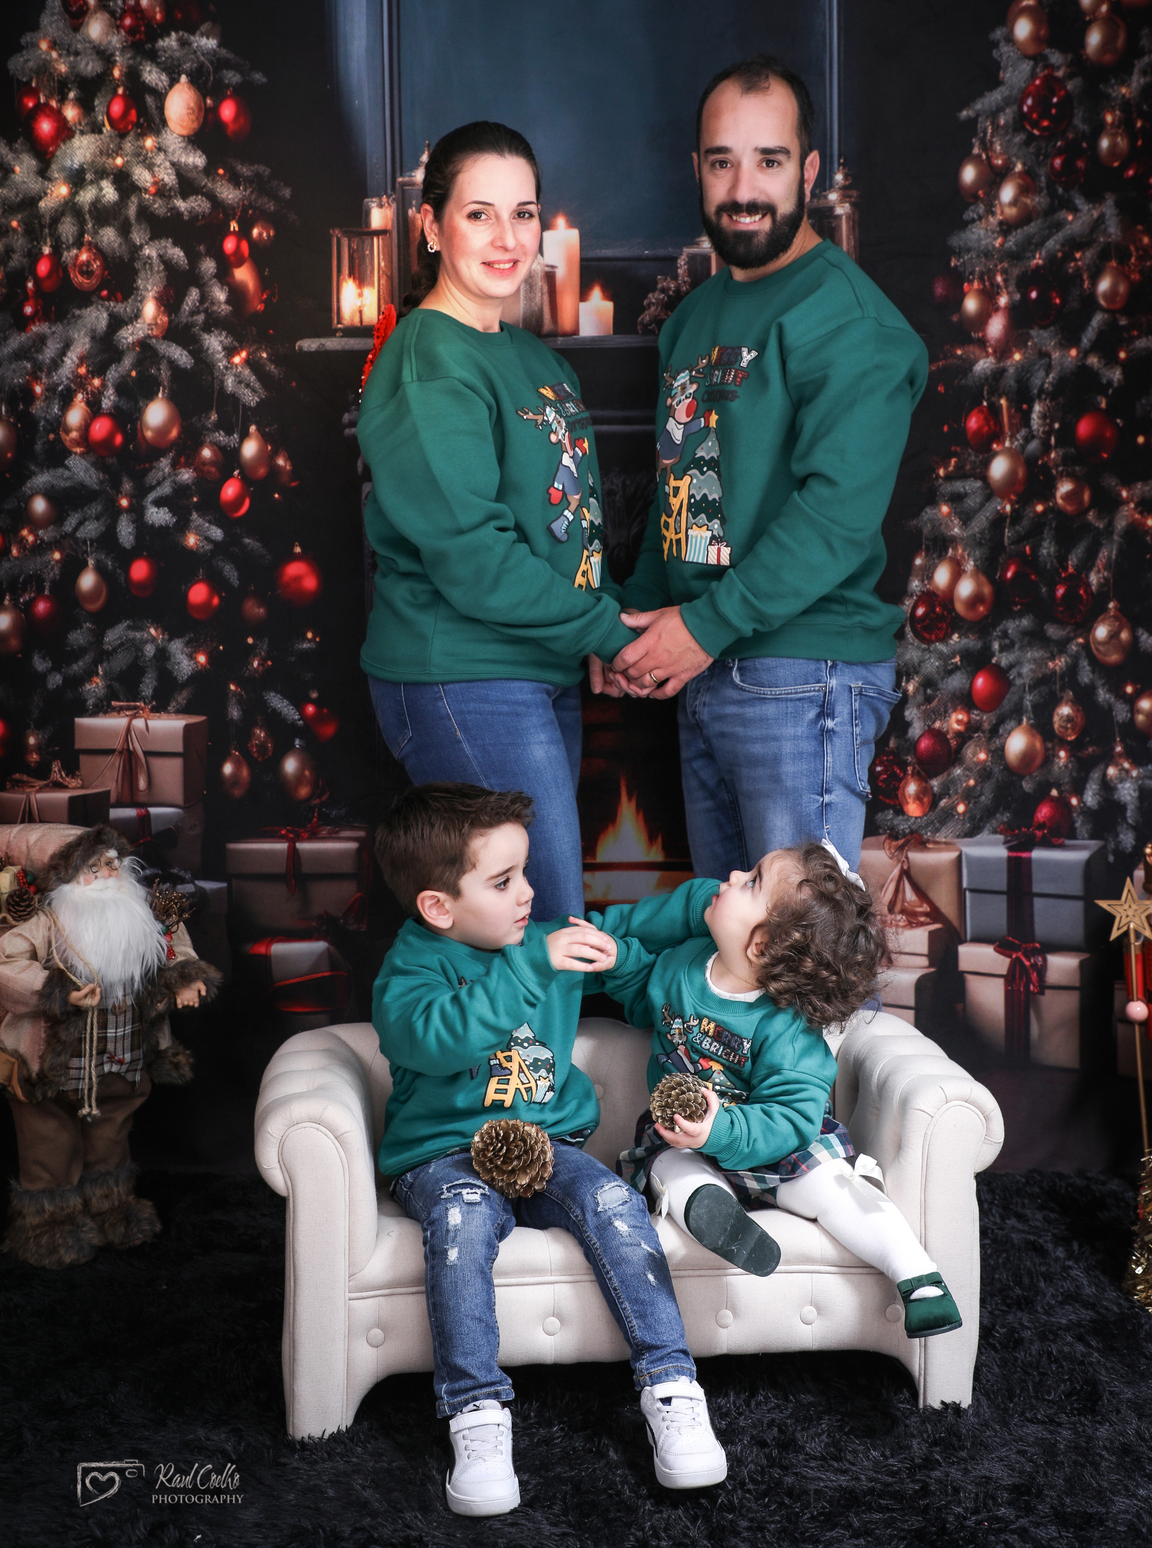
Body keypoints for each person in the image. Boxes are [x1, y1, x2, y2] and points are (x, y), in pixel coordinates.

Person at [597, 55, 927, 877]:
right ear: (698, 170)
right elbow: (678, 492)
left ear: (808, 173)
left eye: (769, 162)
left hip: (800, 675)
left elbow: (834, 519)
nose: (743, 189)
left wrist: (702, 628)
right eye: (723, 162)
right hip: (706, 666)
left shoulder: (851, 322)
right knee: (735, 943)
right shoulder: (693, 320)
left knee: (798, 942)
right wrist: (628, 630)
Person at [370, 782, 727, 1517]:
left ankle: (671, 1386)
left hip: (547, 1144)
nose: (529, 892)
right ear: (439, 907)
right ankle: (476, 1413)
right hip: (443, 1155)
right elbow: (438, 1039)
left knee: (614, 1201)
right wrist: (533, 966)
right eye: (503, 881)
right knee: (463, 1223)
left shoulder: (544, 939)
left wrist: (708, 904)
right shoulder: (411, 971)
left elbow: (637, 924)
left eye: (525, 871)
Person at [358, 122, 637, 922]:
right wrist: (606, 630)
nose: (507, 238)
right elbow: (476, 557)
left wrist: (596, 625)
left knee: (534, 926)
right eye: (479, 214)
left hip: (540, 667)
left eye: (524, 213)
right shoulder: (429, 358)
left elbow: (570, 523)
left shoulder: (536, 358)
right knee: (542, 926)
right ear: (431, 225)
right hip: (464, 677)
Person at [595, 839, 961, 1337]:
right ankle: (718, 1215)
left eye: (751, 882)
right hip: (686, 1137)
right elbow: (646, 996)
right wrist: (618, 960)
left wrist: (721, 1130)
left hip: (775, 1142)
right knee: (669, 1168)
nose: (731, 875)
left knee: (832, 1187)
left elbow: (791, 1116)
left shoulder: (788, 1028)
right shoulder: (684, 964)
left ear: (762, 945)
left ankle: (917, 1276)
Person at [0, 826, 218, 1268]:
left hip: (122, 1057)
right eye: (91, 867)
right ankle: (48, 1225)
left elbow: (174, 946)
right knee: (48, 1144)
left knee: (110, 1137)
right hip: (54, 1065)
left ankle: (110, 1209)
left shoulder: (143, 913)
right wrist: (57, 990)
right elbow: (4, 961)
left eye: (111, 863)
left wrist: (185, 978)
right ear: (67, 875)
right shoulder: (50, 921)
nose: (105, 874)